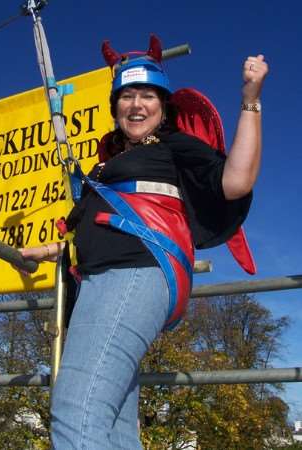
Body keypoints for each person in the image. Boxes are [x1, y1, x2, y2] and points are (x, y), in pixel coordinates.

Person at [18, 35, 268, 449]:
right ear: (116, 106)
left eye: (147, 96)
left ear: (163, 105)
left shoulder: (172, 146)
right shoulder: (106, 165)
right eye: (126, 96)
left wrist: (250, 99)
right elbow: (91, 229)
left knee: (76, 412)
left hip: (133, 274)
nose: (136, 105)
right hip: (100, 282)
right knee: (113, 425)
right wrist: (46, 253)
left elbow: (236, 180)